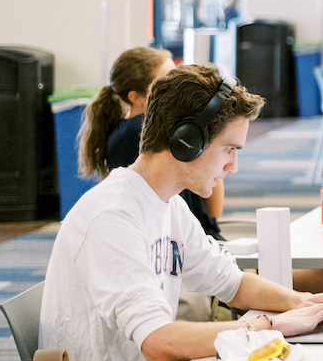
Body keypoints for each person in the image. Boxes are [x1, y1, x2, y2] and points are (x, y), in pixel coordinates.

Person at [42, 65, 323, 361]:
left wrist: (302, 303)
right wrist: (273, 325)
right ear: (186, 142)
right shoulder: (113, 216)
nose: (233, 166)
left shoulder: (169, 204)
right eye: (229, 149)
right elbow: (161, 344)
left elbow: (232, 283)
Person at [79, 48, 224, 239]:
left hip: (194, 237)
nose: (177, 88)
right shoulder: (138, 134)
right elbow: (212, 205)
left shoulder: (131, 131)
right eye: (167, 83)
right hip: (186, 241)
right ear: (136, 97)